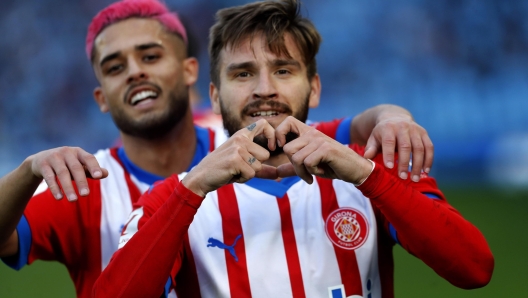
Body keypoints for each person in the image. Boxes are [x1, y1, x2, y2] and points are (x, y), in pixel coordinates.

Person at [0, 1, 433, 298]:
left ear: (190, 71)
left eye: (150, 56)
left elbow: (343, 130)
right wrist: (28, 169)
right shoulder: (91, 185)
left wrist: (392, 116)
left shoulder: (252, 147)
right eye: (115, 67)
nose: (134, 73)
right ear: (100, 96)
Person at [93, 1, 494, 297]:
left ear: (314, 88)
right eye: (243, 73)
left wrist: (364, 175)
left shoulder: (368, 171)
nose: (264, 88)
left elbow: (473, 268)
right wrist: (191, 189)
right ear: (214, 98)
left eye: (283, 70)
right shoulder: (174, 197)